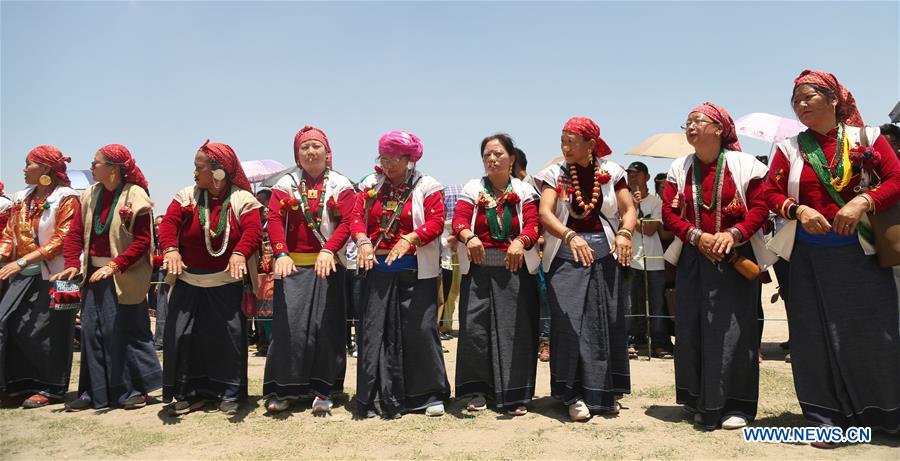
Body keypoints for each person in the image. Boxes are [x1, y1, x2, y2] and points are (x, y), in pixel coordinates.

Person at [765, 70, 900, 442]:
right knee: (813, 337)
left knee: (874, 335)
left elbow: (896, 178)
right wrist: (798, 210)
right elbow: (769, 193)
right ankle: (826, 419)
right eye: (795, 100)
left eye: (808, 97)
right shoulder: (789, 148)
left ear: (834, 99)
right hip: (808, 259)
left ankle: (883, 415)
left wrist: (863, 201)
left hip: (862, 255)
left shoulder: (867, 138)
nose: (800, 105)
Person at [662, 103, 775, 430]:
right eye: (687, 122)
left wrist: (732, 234)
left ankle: (736, 404)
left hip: (734, 258)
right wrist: (696, 237)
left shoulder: (746, 165)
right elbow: (669, 212)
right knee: (692, 327)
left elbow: (761, 207)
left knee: (733, 330)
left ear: (720, 128)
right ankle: (698, 400)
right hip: (694, 258)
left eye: (698, 121)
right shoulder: (679, 167)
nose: (690, 127)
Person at [534, 117, 637, 421]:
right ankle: (573, 394)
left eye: (571, 141)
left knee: (606, 321)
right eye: (562, 140)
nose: (565, 147)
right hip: (566, 255)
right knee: (569, 324)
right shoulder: (554, 173)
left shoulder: (612, 171)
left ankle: (604, 393)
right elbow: (545, 213)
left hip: (605, 256)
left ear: (591, 144)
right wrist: (569, 235)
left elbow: (629, 209)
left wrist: (625, 233)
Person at [158, 140, 263, 416]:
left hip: (226, 284)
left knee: (227, 338)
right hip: (188, 283)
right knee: (182, 335)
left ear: (218, 172)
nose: (194, 173)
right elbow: (168, 224)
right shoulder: (186, 196)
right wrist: (171, 249)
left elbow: (253, 231)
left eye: (199, 168)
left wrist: (239, 253)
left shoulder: (243, 199)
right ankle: (188, 393)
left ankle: (229, 393)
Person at [53, 144, 162, 411]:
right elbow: (75, 233)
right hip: (94, 276)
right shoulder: (90, 193)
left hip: (125, 275)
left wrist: (114, 266)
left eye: (96, 162)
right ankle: (93, 392)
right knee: (92, 332)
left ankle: (135, 390)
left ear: (113, 169)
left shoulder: (135, 195)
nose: (92, 166)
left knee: (124, 331)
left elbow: (142, 242)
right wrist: (71, 263)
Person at [351, 130, 449, 419]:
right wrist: (363, 240)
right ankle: (375, 397)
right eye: (384, 158)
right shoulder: (370, 184)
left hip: (415, 272)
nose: (388, 164)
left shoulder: (428, 185)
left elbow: (436, 222)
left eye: (394, 158)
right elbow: (355, 217)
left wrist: (410, 238)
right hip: (376, 272)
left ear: (410, 159)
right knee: (375, 334)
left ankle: (428, 395)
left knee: (420, 331)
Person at [263, 126, 356, 414]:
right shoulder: (285, 184)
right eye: (304, 147)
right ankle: (284, 390)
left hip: (329, 265)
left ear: (327, 152)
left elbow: (349, 222)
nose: (311, 152)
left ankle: (324, 390)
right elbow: (274, 219)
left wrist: (329, 250)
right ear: (297, 154)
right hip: (292, 267)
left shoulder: (341, 184)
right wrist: (280, 252)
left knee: (325, 329)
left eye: (316, 146)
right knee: (289, 329)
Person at [452, 133, 541, 416]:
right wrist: (469, 237)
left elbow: (533, 225)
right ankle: (477, 391)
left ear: (512, 158)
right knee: (474, 329)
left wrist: (521, 241)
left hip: (515, 270)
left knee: (515, 331)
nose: (492, 159)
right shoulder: (473, 187)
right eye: (486, 154)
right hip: (478, 270)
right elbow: (459, 220)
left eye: (498, 154)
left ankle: (515, 394)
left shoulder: (525, 190)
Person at [0, 146, 80, 408]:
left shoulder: (67, 198)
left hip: (61, 274)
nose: (24, 169)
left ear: (45, 168)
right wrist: (4, 255)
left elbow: (62, 238)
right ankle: (18, 384)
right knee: (9, 323)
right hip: (23, 274)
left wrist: (22, 261)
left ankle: (51, 388)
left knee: (54, 331)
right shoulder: (21, 197)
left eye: (29, 164)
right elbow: (9, 234)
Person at [625, 161, 671, 359]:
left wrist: (631, 216)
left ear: (647, 177)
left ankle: (659, 343)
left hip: (653, 259)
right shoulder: (623, 199)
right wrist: (633, 208)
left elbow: (651, 229)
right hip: (629, 258)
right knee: (630, 305)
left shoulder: (656, 201)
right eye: (630, 175)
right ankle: (631, 341)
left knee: (657, 304)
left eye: (636, 175)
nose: (632, 179)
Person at [254, 188, 274, 356]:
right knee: (262, 309)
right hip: (260, 270)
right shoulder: (256, 222)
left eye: (262, 201)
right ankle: (265, 342)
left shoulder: (276, 220)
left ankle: (273, 343)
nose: (260, 204)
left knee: (272, 308)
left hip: (275, 270)